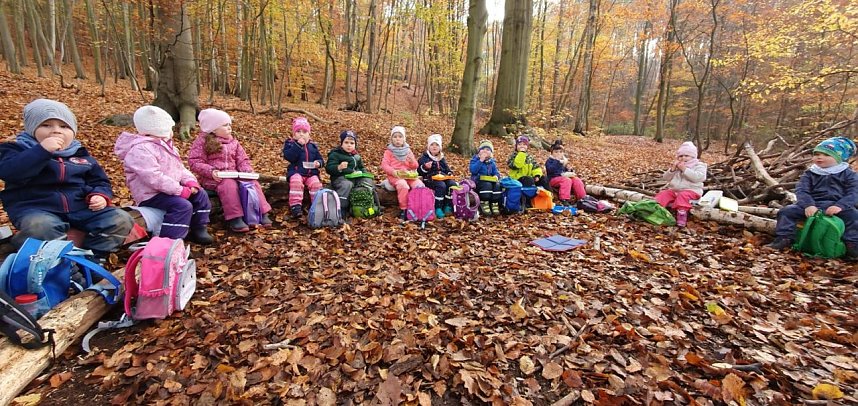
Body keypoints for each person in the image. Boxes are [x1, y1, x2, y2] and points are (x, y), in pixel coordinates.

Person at [0, 99, 133, 255]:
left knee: (121, 219)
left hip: (80, 207)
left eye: (64, 126)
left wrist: (99, 195)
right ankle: (54, 261)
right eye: (46, 125)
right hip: (36, 208)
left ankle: (93, 258)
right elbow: (12, 173)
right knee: (41, 227)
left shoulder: (80, 155)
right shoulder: (17, 150)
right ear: (31, 128)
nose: (56, 131)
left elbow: (99, 181)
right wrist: (41, 151)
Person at [115, 105, 213, 244]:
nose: (172, 131)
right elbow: (153, 178)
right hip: (150, 194)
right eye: (170, 128)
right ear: (160, 130)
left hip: (170, 189)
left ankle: (199, 227)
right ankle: (169, 242)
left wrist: (190, 181)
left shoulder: (167, 146)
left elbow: (179, 168)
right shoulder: (140, 150)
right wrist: (179, 190)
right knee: (182, 206)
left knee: (200, 194)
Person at [767, 136, 858, 259]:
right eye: (817, 154)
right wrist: (808, 205)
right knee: (786, 212)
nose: (819, 157)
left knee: (854, 216)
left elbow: (854, 193)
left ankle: (852, 244)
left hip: (837, 206)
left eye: (826, 155)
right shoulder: (810, 173)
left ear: (839, 158)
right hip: (814, 204)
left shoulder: (849, 174)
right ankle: (784, 238)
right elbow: (802, 190)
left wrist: (840, 206)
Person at [187, 109, 272, 232]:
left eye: (229, 125)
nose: (229, 128)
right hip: (214, 178)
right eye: (225, 125)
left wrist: (246, 171)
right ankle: (235, 217)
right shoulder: (202, 142)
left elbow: (242, 159)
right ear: (213, 129)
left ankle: (262, 212)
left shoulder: (233, 142)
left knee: (252, 183)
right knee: (229, 185)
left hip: (234, 174)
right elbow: (195, 162)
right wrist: (211, 171)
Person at [654, 141, 707, 227]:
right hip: (675, 190)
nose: (683, 158)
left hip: (692, 191)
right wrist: (672, 170)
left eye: (686, 156)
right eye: (681, 156)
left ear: (693, 156)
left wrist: (685, 169)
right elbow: (666, 178)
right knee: (664, 194)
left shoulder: (699, 166)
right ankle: (655, 209)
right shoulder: (678, 166)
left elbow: (698, 178)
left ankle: (682, 214)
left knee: (683, 195)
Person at [282, 117, 324, 219]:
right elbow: (289, 157)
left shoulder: (313, 146)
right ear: (294, 134)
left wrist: (318, 163)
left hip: (311, 173)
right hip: (296, 172)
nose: (301, 134)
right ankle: (295, 206)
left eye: (304, 132)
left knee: (316, 185)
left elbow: (321, 159)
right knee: (296, 182)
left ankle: (317, 206)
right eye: (298, 131)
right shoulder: (290, 144)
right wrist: (298, 145)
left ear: (309, 134)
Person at [325, 130, 375, 216]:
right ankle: (341, 208)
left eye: (352, 143)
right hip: (340, 178)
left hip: (355, 178)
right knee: (347, 184)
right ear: (341, 143)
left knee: (368, 181)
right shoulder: (336, 154)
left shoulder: (356, 156)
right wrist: (339, 167)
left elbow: (361, 167)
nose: (349, 145)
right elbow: (329, 168)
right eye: (346, 142)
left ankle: (370, 203)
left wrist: (364, 173)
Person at [381, 126, 424, 220]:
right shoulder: (389, 152)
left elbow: (415, 166)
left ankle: (417, 207)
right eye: (395, 137)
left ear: (404, 139)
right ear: (391, 139)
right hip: (395, 176)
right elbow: (384, 165)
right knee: (403, 185)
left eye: (400, 137)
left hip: (408, 175)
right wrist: (393, 171)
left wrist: (412, 161)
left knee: (419, 185)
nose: (397, 139)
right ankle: (404, 209)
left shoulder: (408, 151)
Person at [417, 134, 457, 218]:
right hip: (430, 178)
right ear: (428, 147)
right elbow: (419, 172)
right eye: (432, 145)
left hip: (442, 177)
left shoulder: (441, 158)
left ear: (440, 148)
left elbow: (447, 168)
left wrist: (449, 173)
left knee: (452, 184)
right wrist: (425, 167)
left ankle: (447, 205)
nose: (434, 147)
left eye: (437, 145)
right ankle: (438, 207)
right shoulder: (424, 158)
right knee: (441, 186)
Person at [545, 140, 587, 206]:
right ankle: (564, 199)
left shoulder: (563, 161)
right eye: (556, 152)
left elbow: (564, 170)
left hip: (562, 176)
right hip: (553, 179)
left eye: (560, 152)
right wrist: (557, 161)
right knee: (566, 180)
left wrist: (569, 170)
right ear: (552, 153)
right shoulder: (550, 161)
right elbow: (551, 170)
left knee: (576, 180)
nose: (558, 154)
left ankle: (582, 198)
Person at [469, 140, 502, 216]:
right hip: (478, 181)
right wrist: (480, 161)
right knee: (487, 185)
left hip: (489, 180)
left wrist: (496, 176)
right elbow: (473, 170)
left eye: (487, 150)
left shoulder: (491, 162)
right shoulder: (475, 160)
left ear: (491, 153)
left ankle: (494, 202)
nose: (485, 151)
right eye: (483, 149)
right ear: (479, 151)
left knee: (497, 185)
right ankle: (484, 202)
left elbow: (496, 172)